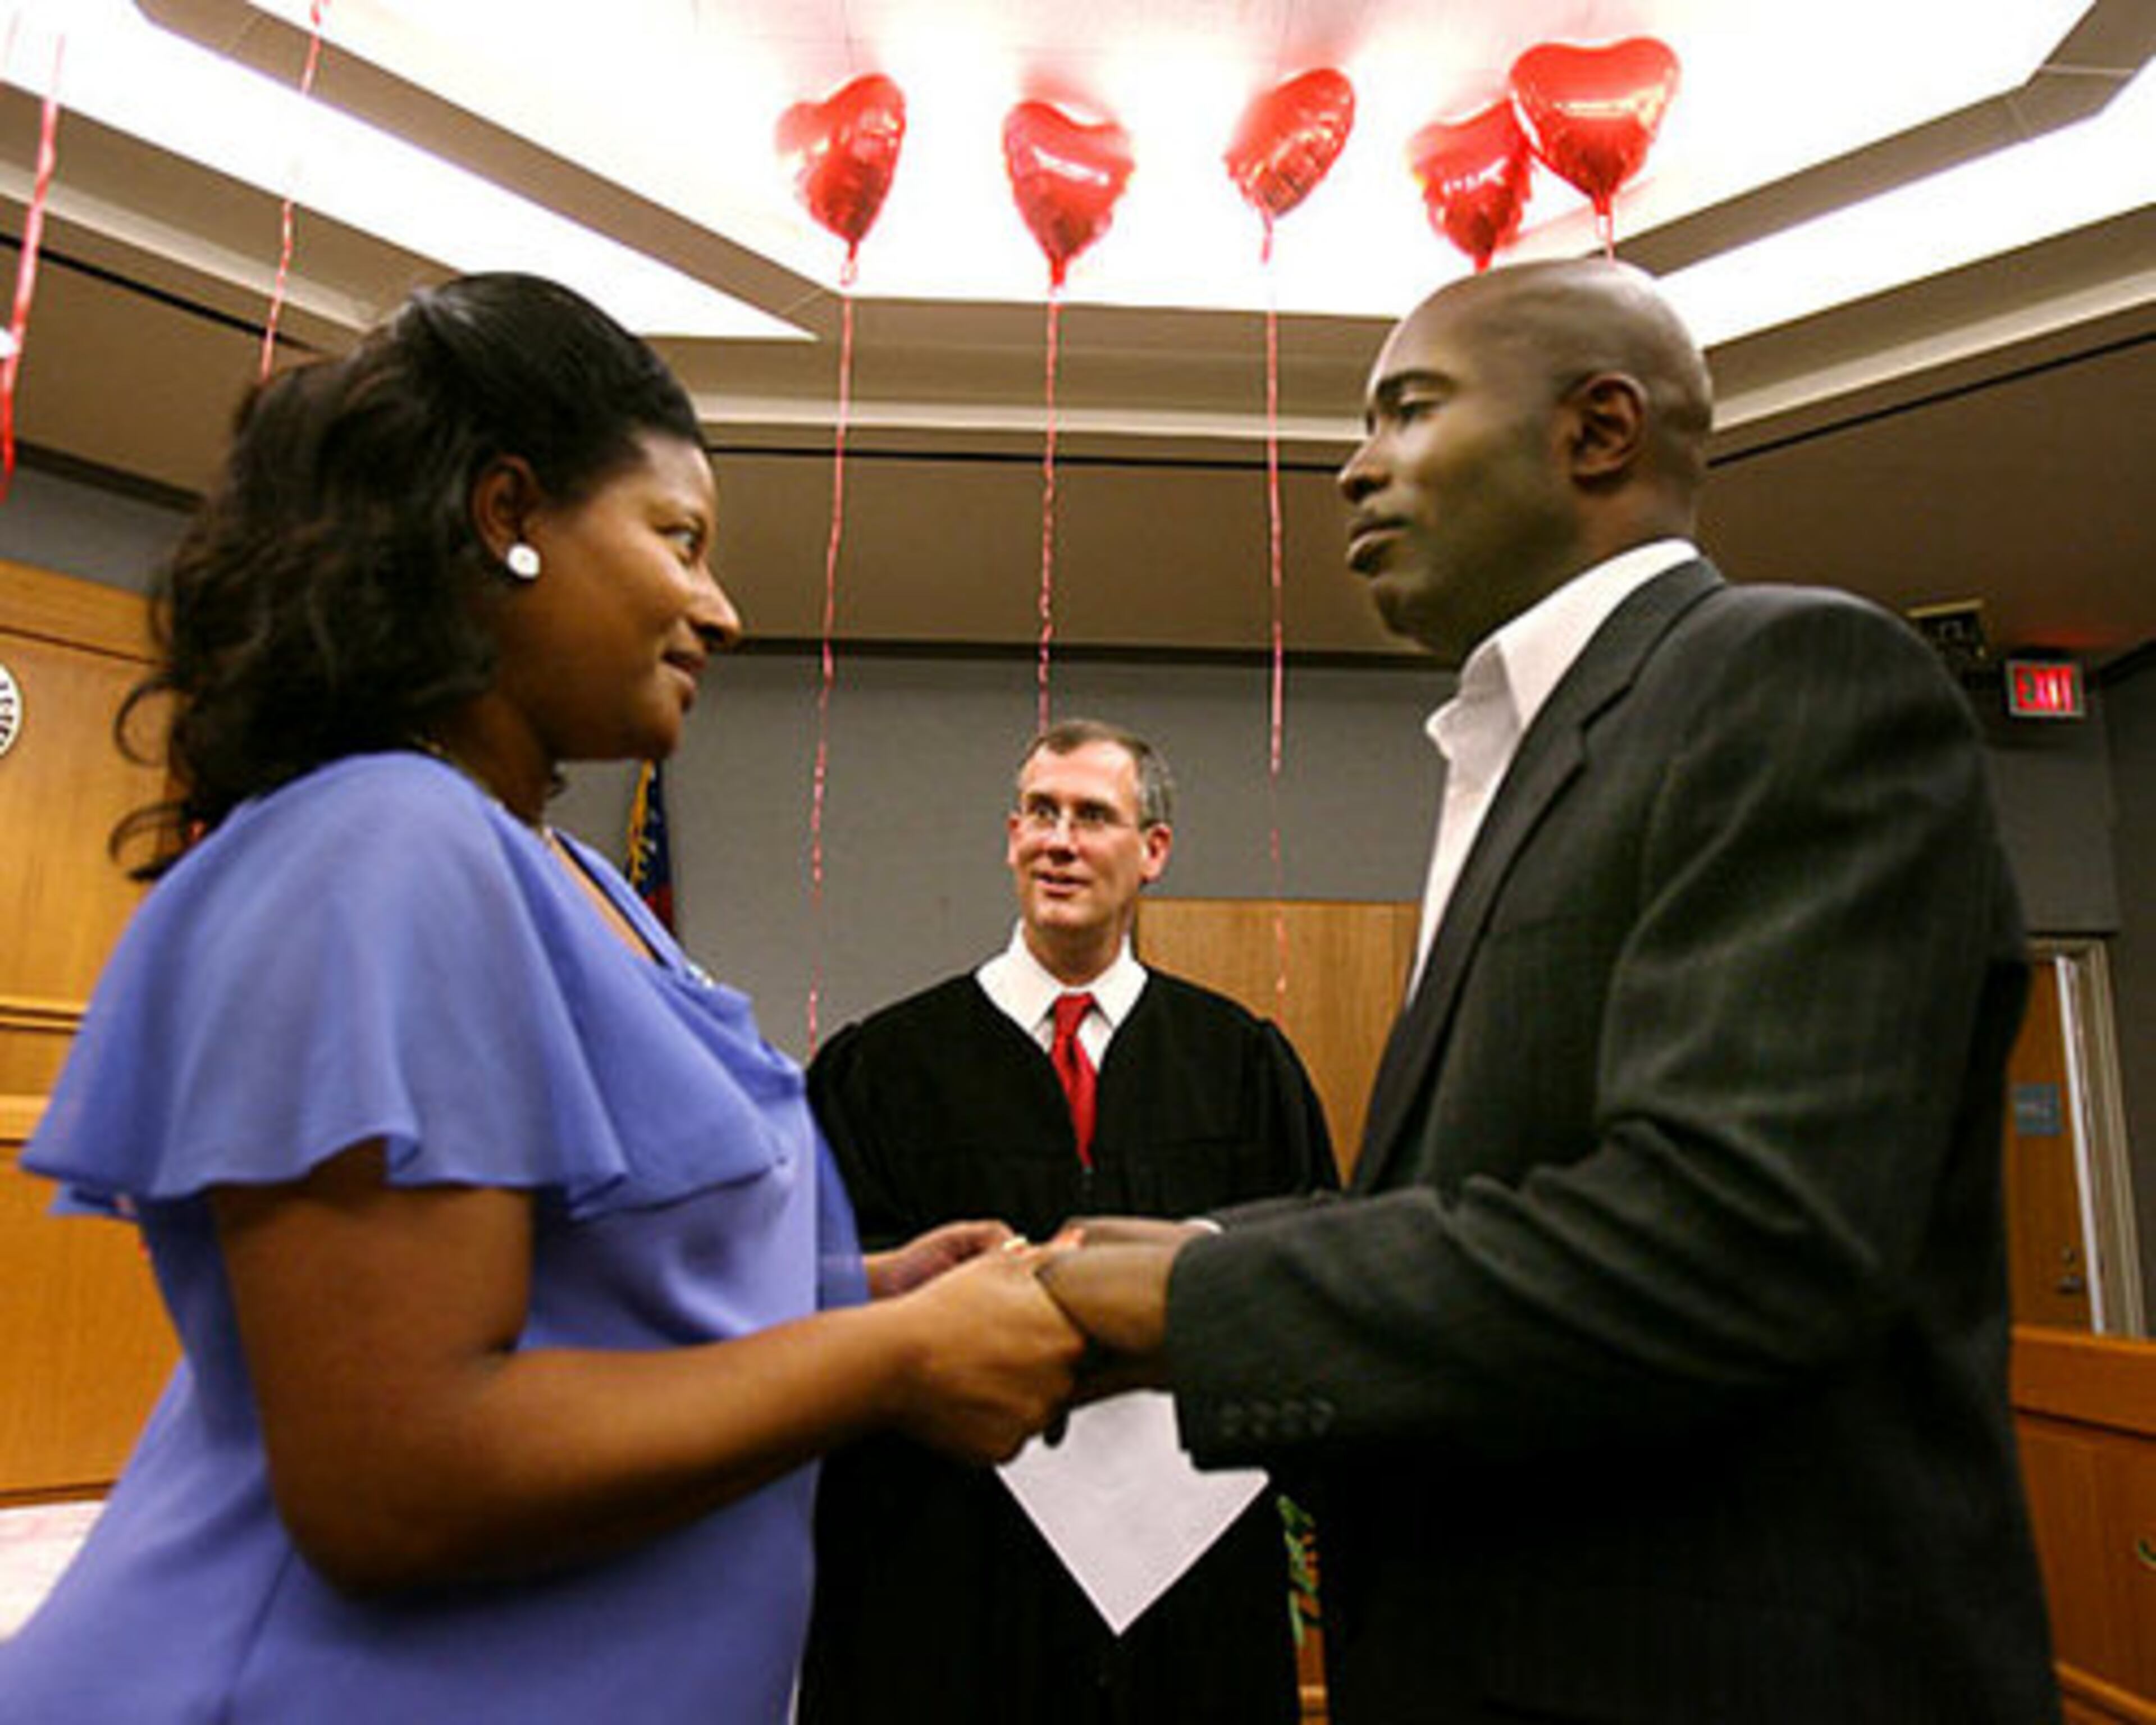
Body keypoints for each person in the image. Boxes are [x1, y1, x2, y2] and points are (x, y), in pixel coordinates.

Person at [0, 273, 1082, 1724]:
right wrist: (882, 1359)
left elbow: (584, 1291)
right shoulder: (381, 839)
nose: (723, 610)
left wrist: (865, 1292)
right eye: (679, 540)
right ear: (508, 517)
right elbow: (395, 1476)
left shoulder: (569, 872)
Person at [1038, 259, 2062, 1723]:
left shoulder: (1795, 678)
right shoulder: (1521, 754)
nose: (1351, 468)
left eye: (1407, 411)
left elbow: (1735, 1234)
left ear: (1597, 432)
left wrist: (1193, 1298)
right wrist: (1194, 1243)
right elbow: (1502, 1188)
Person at [798, 718, 1336, 1725]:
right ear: (1010, 838)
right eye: (1040, 814)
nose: (1060, 840)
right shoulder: (886, 1066)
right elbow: (821, 1288)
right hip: (952, 1571)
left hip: (1188, 1585)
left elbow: (1306, 1283)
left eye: (1094, 817)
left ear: (1153, 853)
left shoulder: (1242, 1066)